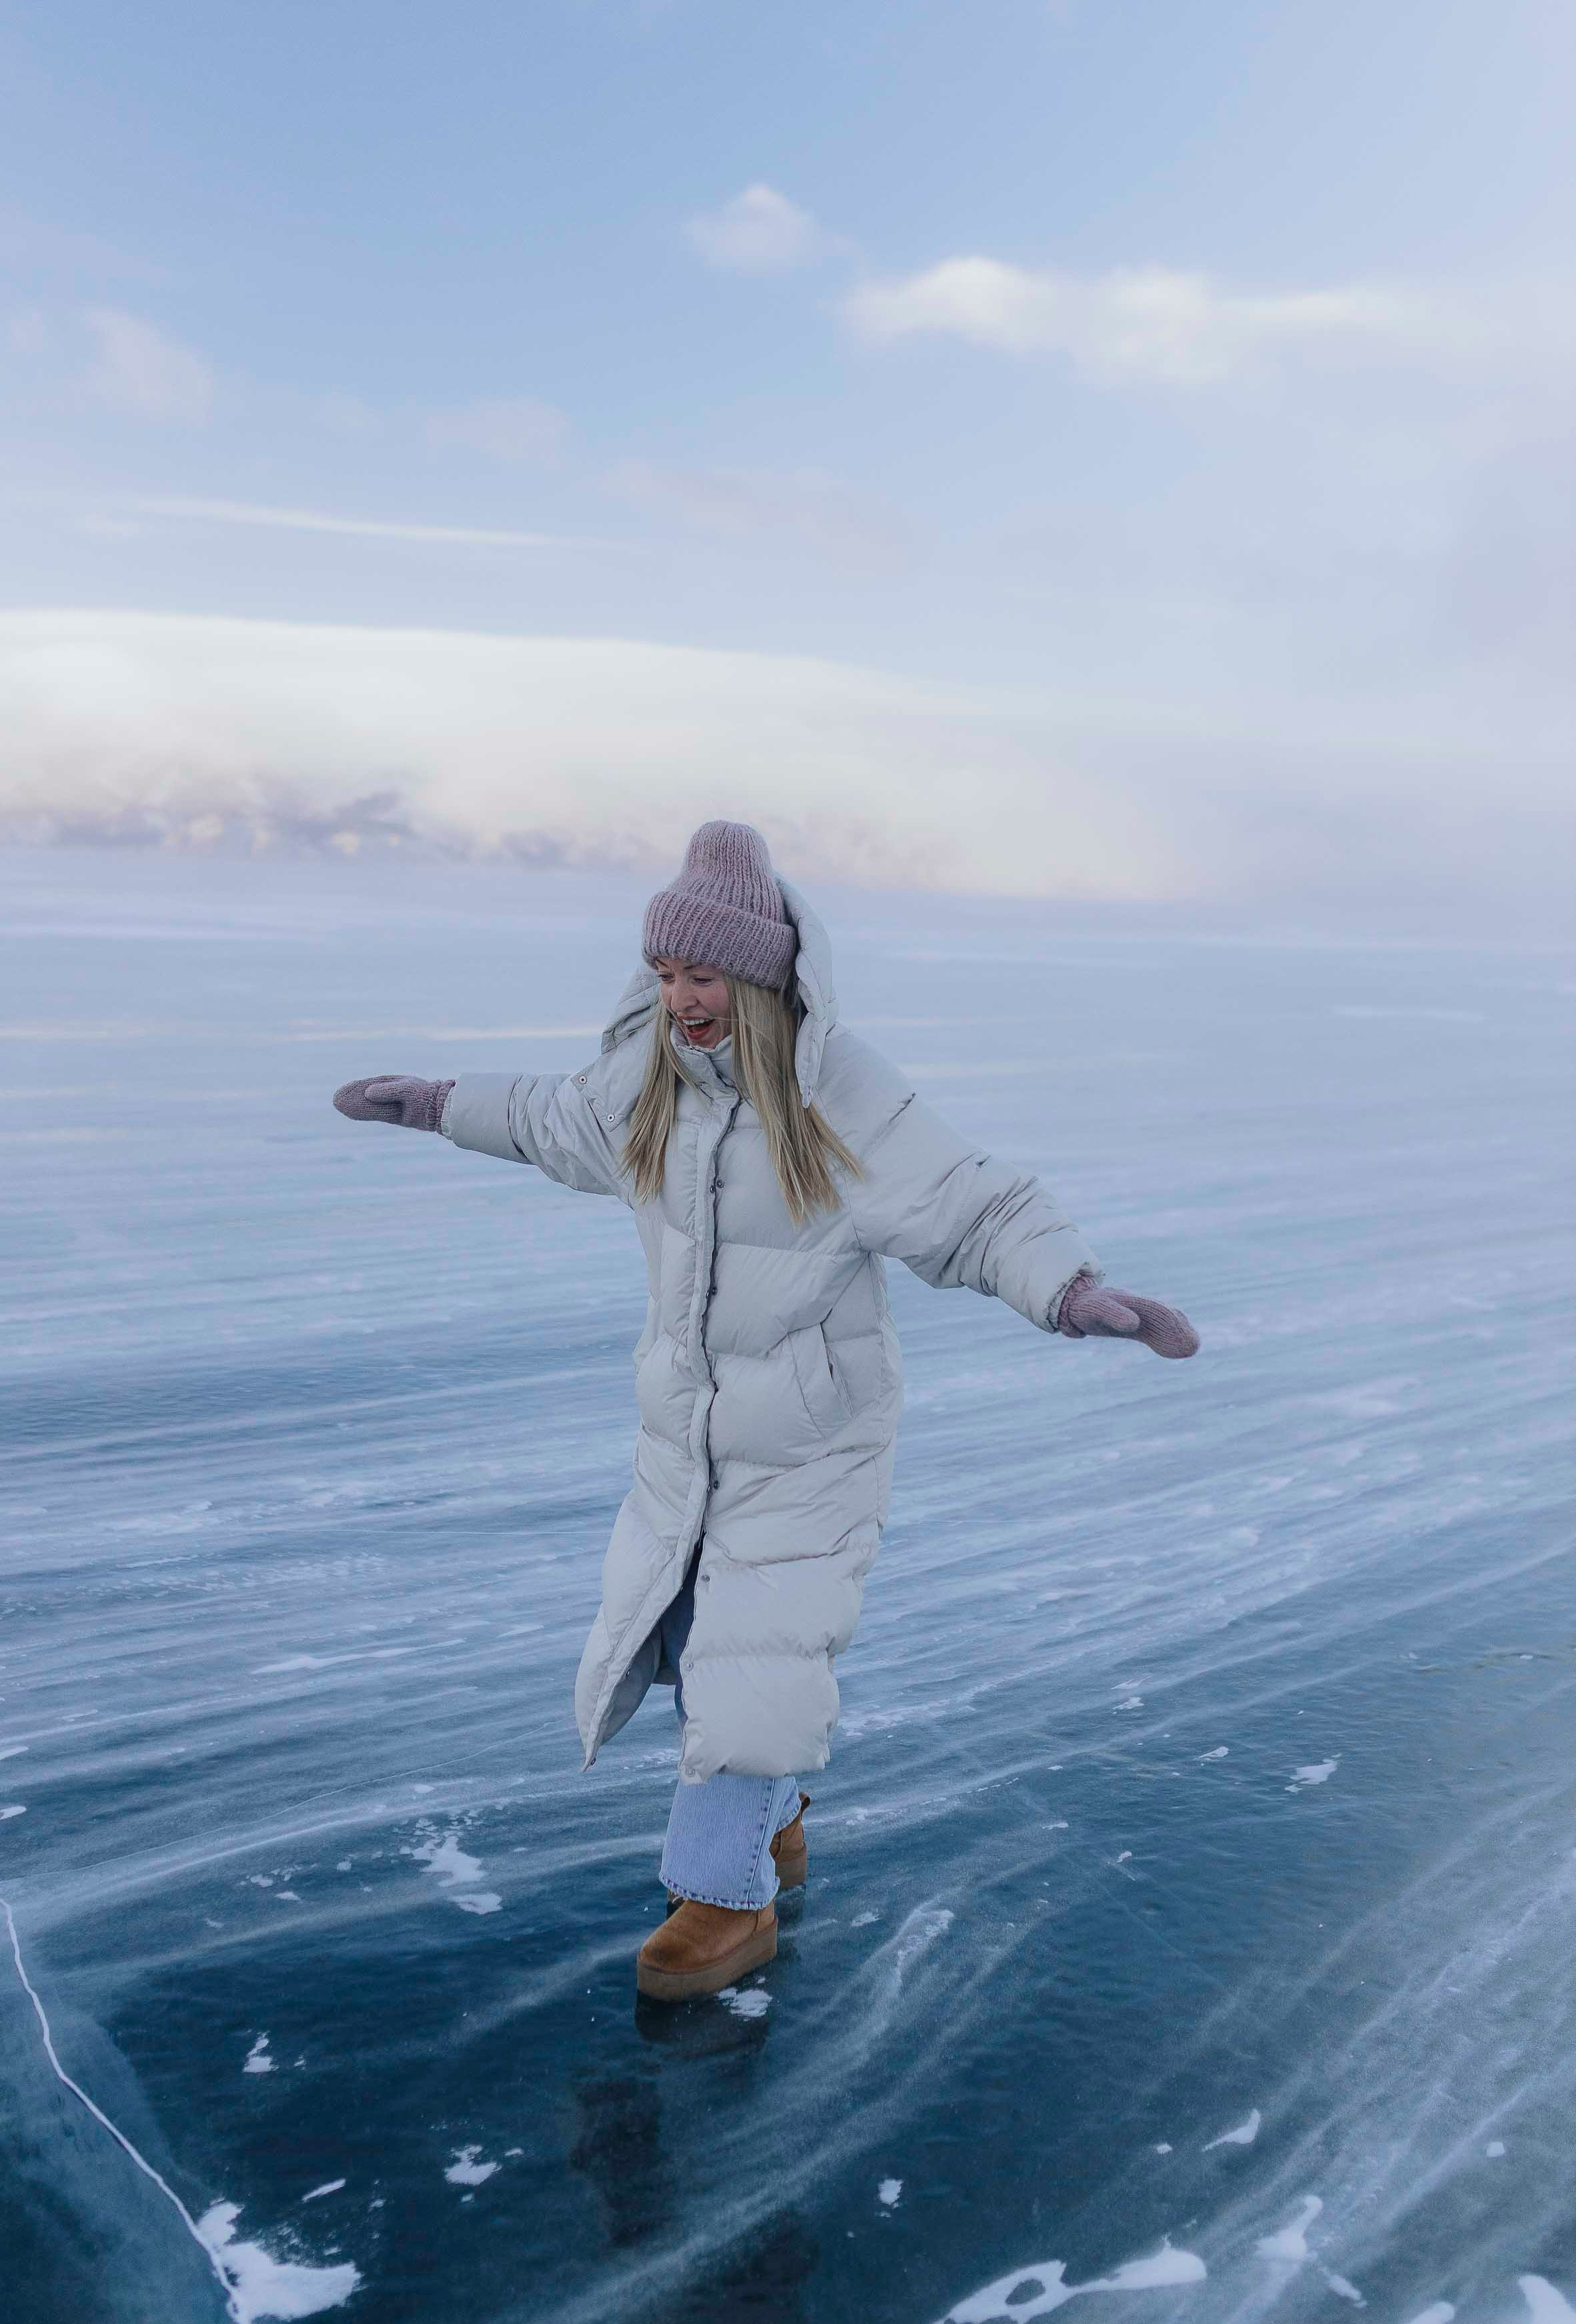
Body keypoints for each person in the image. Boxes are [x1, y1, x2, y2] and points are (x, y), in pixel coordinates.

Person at [333, 822, 1198, 2001]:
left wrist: (1070, 1291)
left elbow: (972, 1207)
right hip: (686, 1434)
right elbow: (554, 1121)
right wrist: (437, 1103)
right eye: (666, 973)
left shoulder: (838, 1090)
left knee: (755, 1664)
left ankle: (723, 1902)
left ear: (759, 976)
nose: (681, 997)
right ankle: (775, 1816)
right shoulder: (648, 1081)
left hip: (809, 1440)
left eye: (703, 975)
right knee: (698, 1642)